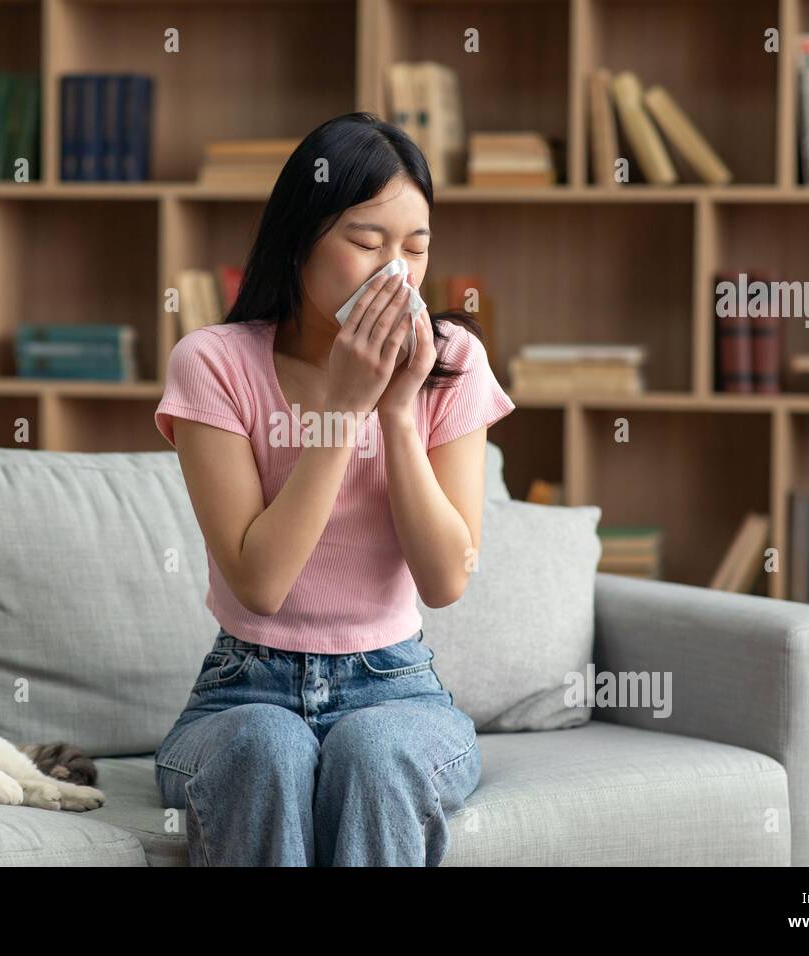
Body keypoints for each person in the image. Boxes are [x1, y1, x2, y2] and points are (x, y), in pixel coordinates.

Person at [152, 111, 516, 865]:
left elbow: (447, 578)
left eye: (415, 249)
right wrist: (343, 408)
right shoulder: (214, 363)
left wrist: (394, 412)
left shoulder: (451, 362)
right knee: (268, 745)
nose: (397, 274)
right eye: (365, 241)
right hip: (241, 691)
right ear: (300, 239)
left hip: (398, 689)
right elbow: (261, 582)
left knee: (374, 749)